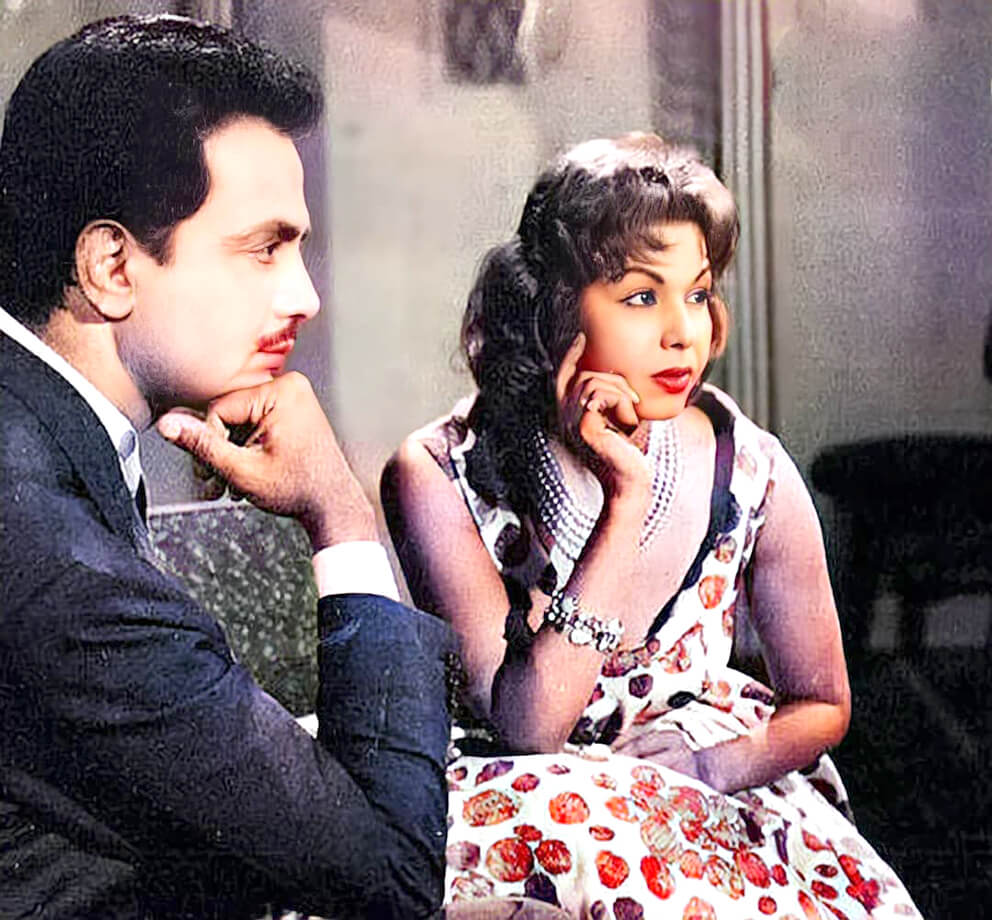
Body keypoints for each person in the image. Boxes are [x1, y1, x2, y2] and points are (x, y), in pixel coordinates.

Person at [382, 134, 922, 918]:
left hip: (705, 788)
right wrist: (624, 500)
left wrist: (716, 768)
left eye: (697, 295)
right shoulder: (438, 471)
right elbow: (531, 726)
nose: (682, 333)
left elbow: (821, 702)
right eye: (641, 297)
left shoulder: (750, 468)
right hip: (528, 802)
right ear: (555, 307)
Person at [0, 15, 454, 920]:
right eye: (264, 248)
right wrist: (342, 515)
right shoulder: (60, 557)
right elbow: (394, 882)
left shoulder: (36, 427)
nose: (305, 296)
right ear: (111, 266)